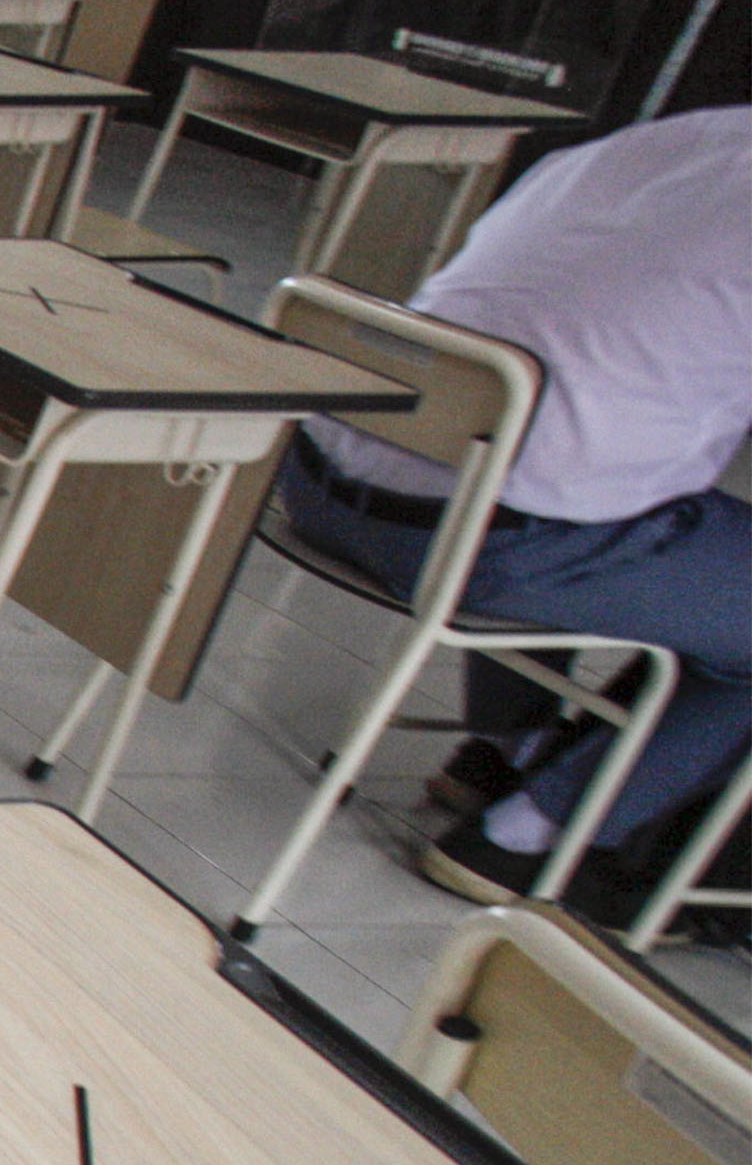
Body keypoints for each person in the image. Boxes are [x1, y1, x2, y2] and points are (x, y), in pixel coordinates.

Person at [272, 101, 752, 917]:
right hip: (485, 535)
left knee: (569, 451)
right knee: (585, 480)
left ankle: (502, 750)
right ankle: (528, 836)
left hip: (330, 470)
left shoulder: (667, 140)